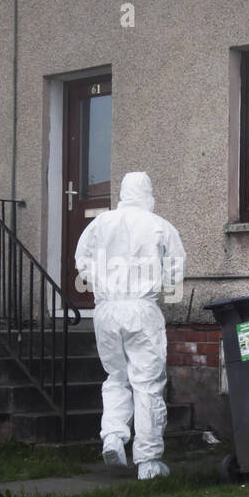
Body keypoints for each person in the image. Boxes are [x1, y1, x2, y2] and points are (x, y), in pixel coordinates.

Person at [75, 171, 187, 480]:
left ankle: (113, 436)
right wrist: (155, 284)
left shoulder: (100, 223)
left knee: (116, 377)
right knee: (147, 383)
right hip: (141, 309)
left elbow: (81, 261)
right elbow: (175, 270)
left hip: (107, 310)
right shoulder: (160, 226)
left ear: (123, 193)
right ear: (148, 193)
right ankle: (148, 462)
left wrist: (101, 281)